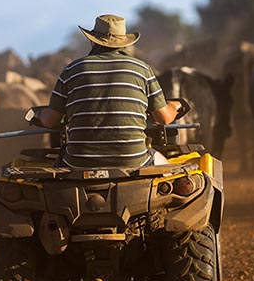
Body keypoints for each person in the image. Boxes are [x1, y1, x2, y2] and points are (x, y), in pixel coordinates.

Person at [35, 14, 182, 168]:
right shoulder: (142, 70)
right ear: (125, 43)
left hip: (79, 162)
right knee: (168, 167)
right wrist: (175, 106)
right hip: (134, 161)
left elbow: (51, 121)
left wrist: (39, 114)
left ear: (93, 41)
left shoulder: (72, 70)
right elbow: (163, 119)